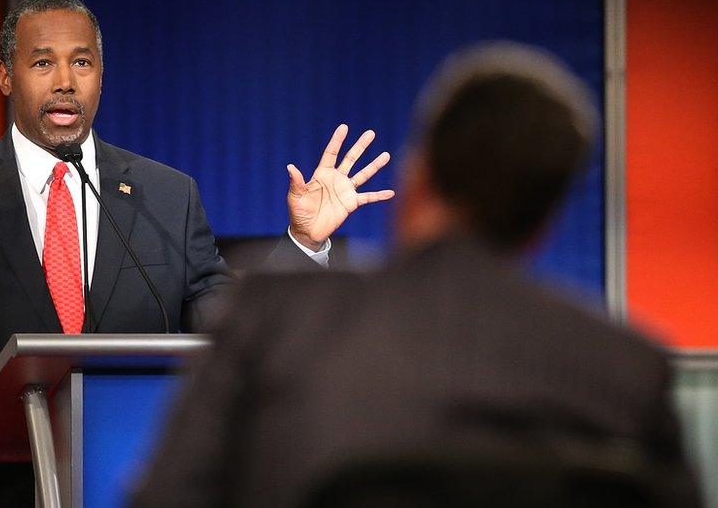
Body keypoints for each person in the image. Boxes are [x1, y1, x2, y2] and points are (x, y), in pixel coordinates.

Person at [0, 0, 393, 506]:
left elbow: (231, 334)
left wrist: (304, 245)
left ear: (100, 76)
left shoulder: (166, 196)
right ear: (5, 76)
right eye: (42, 62)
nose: (65, 80)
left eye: (82, 62)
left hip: (129, 488)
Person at [131, 43, 700, 507]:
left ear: (418, 177)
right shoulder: (630, 373)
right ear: (544, 221)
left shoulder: (274, 323)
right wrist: (307, 242)